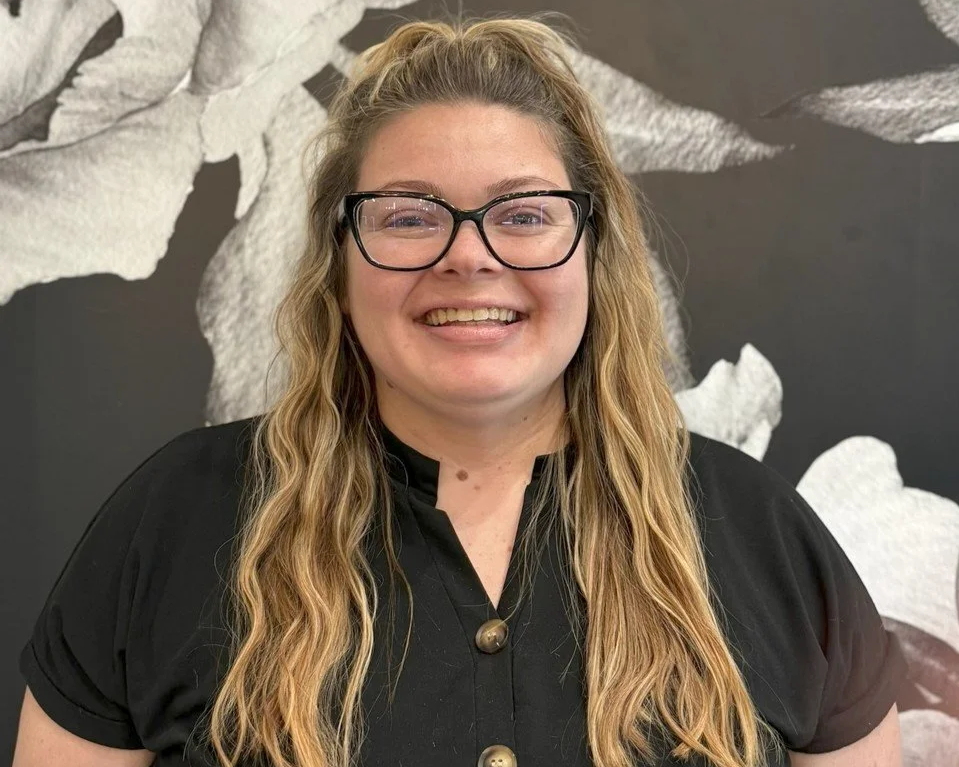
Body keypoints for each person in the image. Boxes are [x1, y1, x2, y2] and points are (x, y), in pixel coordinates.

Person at [12, 15, 906, 767]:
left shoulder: (762, 534)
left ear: (595, 252)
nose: (468, 255)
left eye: (523, 215)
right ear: (337, 258)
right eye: (408, 216)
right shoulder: (171, 521)